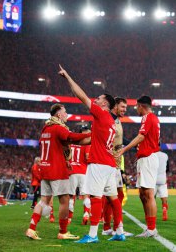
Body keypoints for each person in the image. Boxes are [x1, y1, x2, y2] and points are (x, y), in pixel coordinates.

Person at [59, 65, 126, 243]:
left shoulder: (102, 114)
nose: (95, 99)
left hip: (99, 164)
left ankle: (93, 235)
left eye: (99, 98)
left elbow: (81, 95)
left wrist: (67, 76)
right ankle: (119, 232)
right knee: (113, 198)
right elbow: (91, 139)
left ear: (105, 104)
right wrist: (72, 139)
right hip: (110, 165)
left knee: (96, 198)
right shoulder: (110, 123)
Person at [25, 103, 91, 240]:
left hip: (45, 169)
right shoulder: (58, 128)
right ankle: (63, 231)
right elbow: (72, 137)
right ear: (59, 115)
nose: (67, 114)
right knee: (64, 201)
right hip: (57, 169)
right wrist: (91, 134)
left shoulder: (45, 128)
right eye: (65, 112)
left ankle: (31, 229)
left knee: (43, 201)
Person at [116, 96, 161, 238]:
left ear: (141, 106)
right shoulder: (151, 118)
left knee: (148, 193)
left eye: (136, 106)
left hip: (148, 157)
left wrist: (124, 149)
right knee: (143, 194)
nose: (136, 109)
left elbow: (141, 136)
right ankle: (150, 227)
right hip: (145, 157)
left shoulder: (148, 117)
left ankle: (152, 228)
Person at [102, 97, 132, 237]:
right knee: (115, 195)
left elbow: (120, 140)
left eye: (125, 107)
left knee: (111, 196)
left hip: (116, 161)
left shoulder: (118, 120)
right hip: (111, 162)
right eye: (122, 107)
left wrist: (133, 143)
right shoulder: (109, 120)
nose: (124, 110)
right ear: (115, 107)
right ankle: (117, 228)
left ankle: (108, 227)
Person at [68, 125, 91, 225]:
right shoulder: (86, 144)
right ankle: (86, 214)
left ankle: (69, 218)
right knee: (85, 195)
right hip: (83, 171)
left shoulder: (72, 143)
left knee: (71, 196)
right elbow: (87, 157)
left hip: (72, 171)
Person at [155, 150, 169, 221]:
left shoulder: (152, 155)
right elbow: (168, 169)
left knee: (152, 198)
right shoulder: (165, 155)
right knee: (164, 197)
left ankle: (153, 214)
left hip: (153, 179)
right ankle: (164, 209)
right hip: (162, 179)